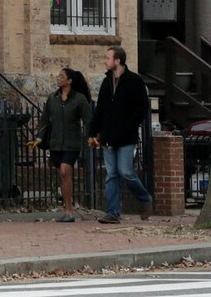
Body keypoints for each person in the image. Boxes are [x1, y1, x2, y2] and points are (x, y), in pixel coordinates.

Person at [88, 45, 152, 223]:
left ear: (118, 61)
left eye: (108, 58)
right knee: (111, 174)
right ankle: (113, 212)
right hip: (108, 135)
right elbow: (100, 108)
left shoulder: (134, 81)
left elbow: (142, 107)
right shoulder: (106, 82)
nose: (105, 61)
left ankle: (145, 199)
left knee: (126, 172)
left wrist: (129, 125)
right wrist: (93, 132)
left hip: (126, 136)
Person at [37, 66, 92, 222]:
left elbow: (89, 120)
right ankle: (67, 206)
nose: (58, 78)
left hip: (71, 143)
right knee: (62, 176)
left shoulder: (79, 99)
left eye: (61, 76)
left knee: (64, 171)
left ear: (69, 81)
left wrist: (92, 136)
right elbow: (45, 120)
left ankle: (69, 211)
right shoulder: (52, 98)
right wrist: (39, 138)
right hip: (55, 143)